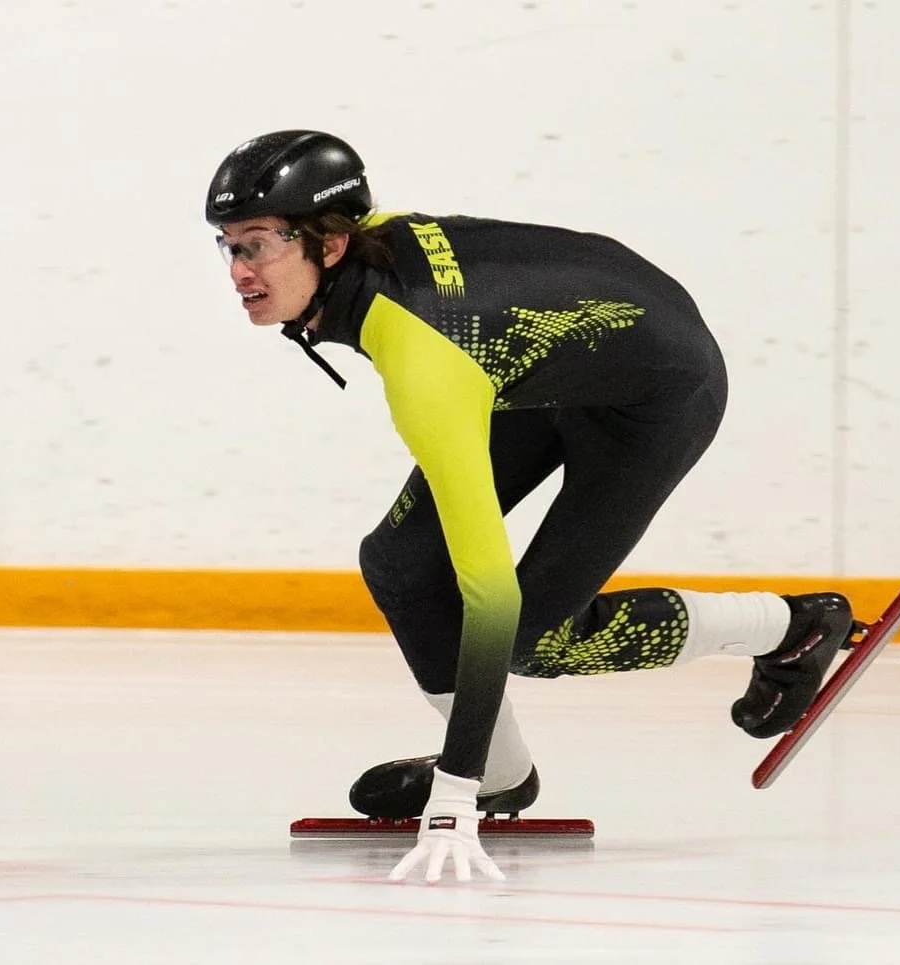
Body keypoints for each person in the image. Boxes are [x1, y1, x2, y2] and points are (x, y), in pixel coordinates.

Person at [204, 130, 855, 884]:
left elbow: (491, 594)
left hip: (658, 392)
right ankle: (504, 776)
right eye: (227, 247)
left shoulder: (423, 363)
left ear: (333, 244)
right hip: (553, 361)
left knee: (532, 636)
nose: (239, 271)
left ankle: (795, 629)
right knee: (400, 562)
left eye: (255, 245)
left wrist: (451, 795)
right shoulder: (371, 251)